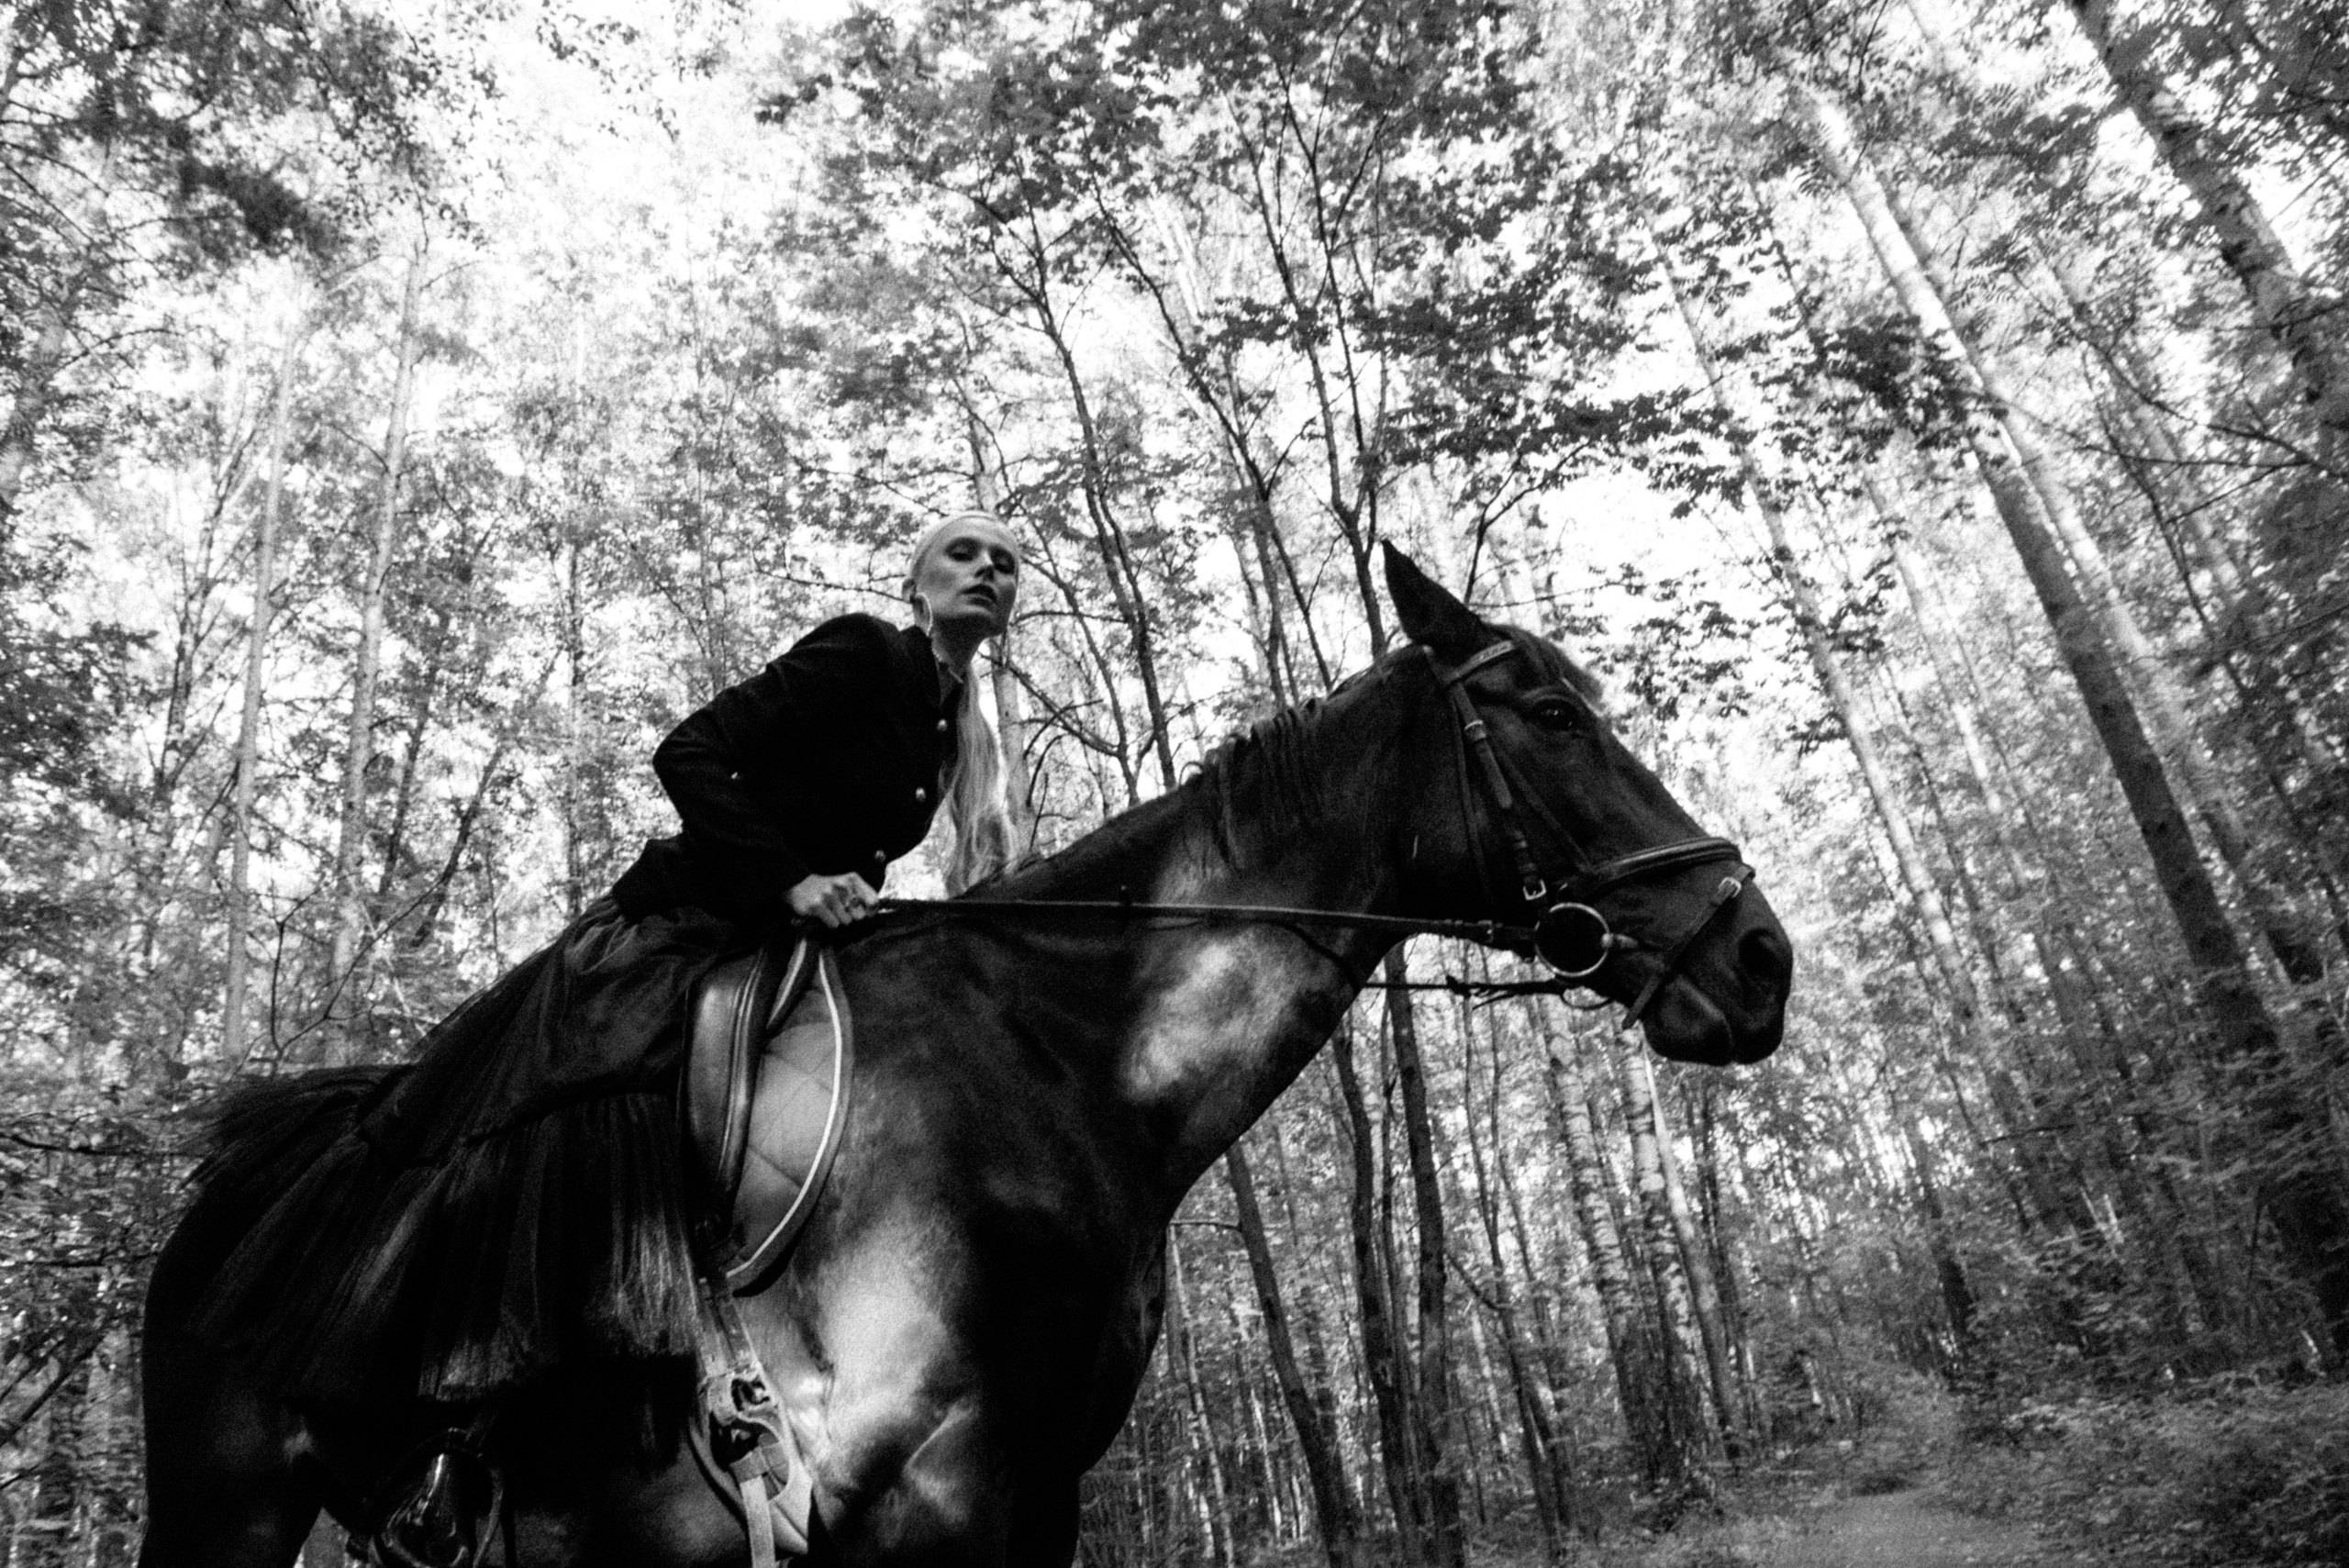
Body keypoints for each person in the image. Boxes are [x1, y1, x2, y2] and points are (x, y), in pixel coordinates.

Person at [190, 510, 1023, 1409]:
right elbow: (691, 751)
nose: (985, 569)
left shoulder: (955, 734)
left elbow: (853, 852)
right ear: (916, 583)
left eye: (1005, 563)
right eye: (963, 552)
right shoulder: (865, 651)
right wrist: (790, 880)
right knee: (609, 1116)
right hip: (680, 923)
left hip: (784, 961)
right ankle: (480, 1396)